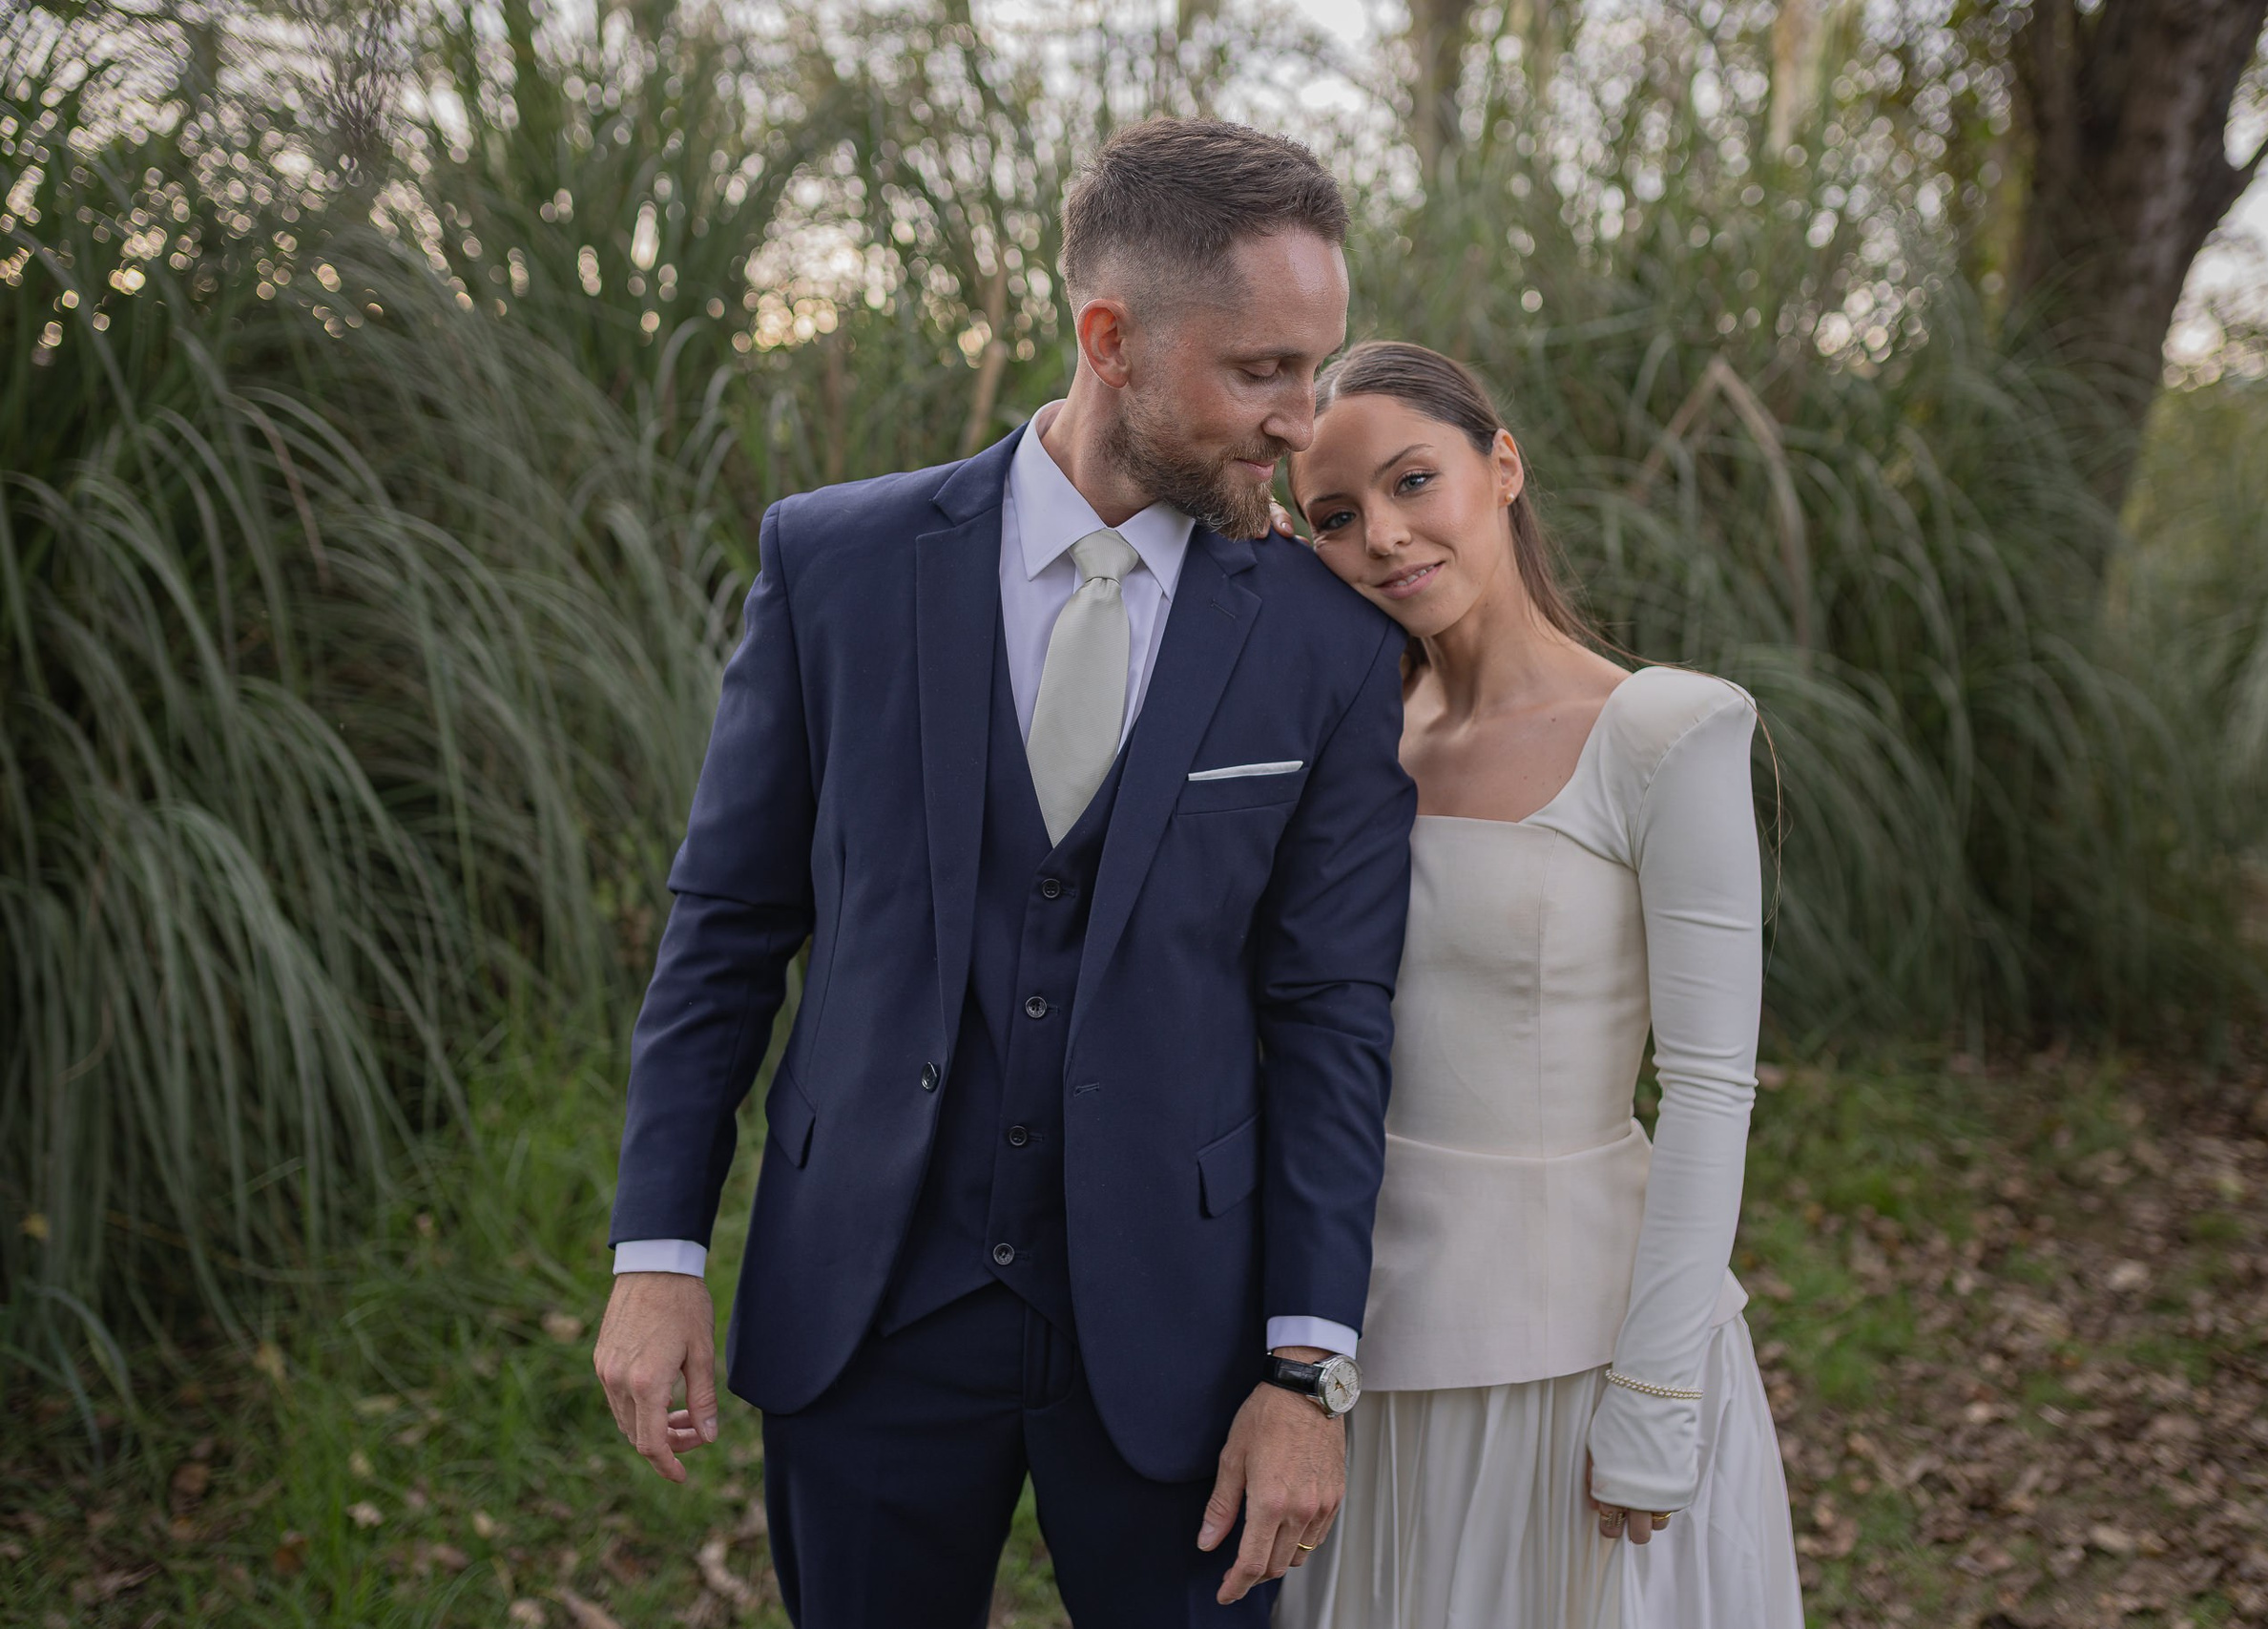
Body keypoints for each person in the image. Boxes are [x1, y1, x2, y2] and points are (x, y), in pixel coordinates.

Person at [589, 121, 1417, 1627]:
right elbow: (725, 931)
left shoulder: (1330, 646)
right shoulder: (836, 567)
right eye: (1261, 371)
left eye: (1319, 365)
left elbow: (1330, 1016)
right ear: (1111, 338)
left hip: (1186, 1334)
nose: (1306, 422)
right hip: (869, 1308)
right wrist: (656, 1256)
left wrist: (1309, 1369)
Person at [1274, 342, 1805, 1629]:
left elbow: (1712, 1089)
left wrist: (1658, 1398)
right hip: (1361, 1353)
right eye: (1337, 518)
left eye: (1416, 481)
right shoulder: (1350, 748)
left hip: (1579, 1359)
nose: (1386, 537)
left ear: (1502, 465)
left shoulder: (1664, 733)